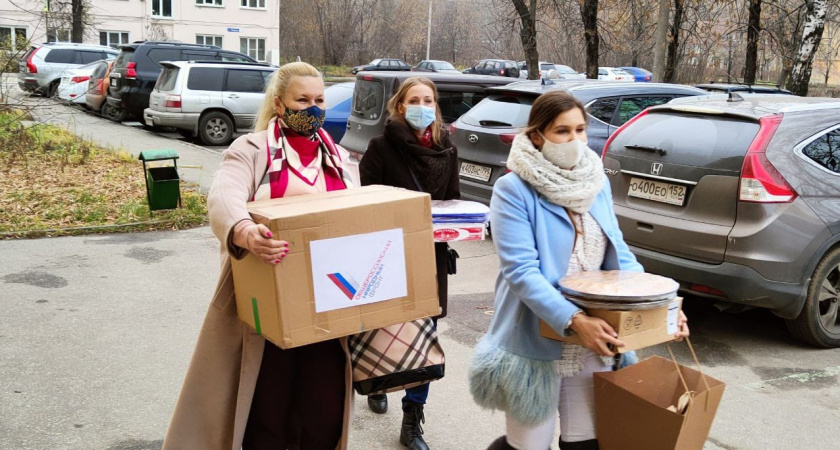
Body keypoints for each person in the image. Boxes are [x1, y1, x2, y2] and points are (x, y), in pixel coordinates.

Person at [467, 91, 689, 450]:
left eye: (580, 130)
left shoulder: (595, 182)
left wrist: (664, 307)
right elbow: (521, 271)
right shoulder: (513, 189)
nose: (575, 141)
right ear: (537, 135)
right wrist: (573, 320)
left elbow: (620, 257)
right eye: (562, 132)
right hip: (535, 341)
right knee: (527, 446)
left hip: (596, 337)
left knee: (587, 442)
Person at [161, 62, 355, 450]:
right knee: (267, 412)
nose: (313, 108)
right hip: (267, 309)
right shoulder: (250, 150)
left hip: (329, 304)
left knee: (325, 412)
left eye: (319, 100)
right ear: (280, 104)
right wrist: (245, 231)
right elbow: (223, 196)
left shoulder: (339, 157)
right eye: (302, 100)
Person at [358, 76, 460, 450]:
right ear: (400, 106)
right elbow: (364, 208)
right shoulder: (380, 147)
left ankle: (412, 418)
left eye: (428, 100)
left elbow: (452, 204)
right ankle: (378, 381)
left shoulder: (447, 148)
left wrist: (458, 227)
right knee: (384, 330)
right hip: (386, 256)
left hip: (430, 257)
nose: (422, 106)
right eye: (414, 99)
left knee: (424, 338)